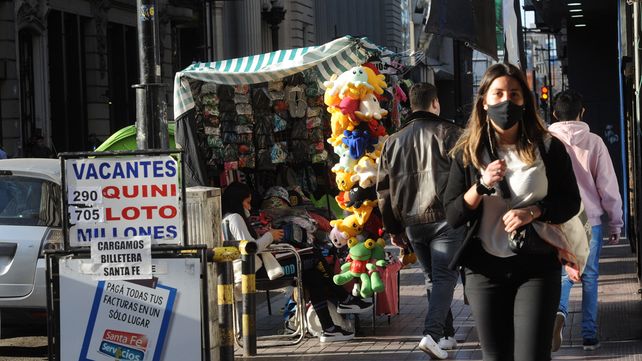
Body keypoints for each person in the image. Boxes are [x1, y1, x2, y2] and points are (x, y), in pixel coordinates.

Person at [443, 63, 581, 361]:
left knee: (531, 355)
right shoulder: (467, 152)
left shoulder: (547, 147)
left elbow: (571, 202)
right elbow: (453, 215)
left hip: (536, 265)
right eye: (499, 94)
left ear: (525, 101)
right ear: (484, 101)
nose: (506, 102)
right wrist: (480, 185)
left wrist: (534, 211)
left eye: (515, 94)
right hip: (484, 270)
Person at [376, 82, 463, 359]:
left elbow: (384, 190)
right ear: (435, 103)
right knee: (445, 277)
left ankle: (446, 335)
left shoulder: (392, 141)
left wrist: (393, 228)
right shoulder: (451, 133)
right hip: (445, 217)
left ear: (410, 105)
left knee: (432, 277)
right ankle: (433, 334)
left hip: (412, 222)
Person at [222, 182, 358, 342]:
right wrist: (270, 236)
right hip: (257, 273)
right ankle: (343, 300)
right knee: (313, 258)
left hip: (257, 270)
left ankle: (329, 327)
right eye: (247, 202)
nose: (250, 207)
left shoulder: (230, 218)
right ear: (237, 201)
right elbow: (251, 247)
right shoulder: (235, 218)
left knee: (312, 273)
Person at [549, 89, 623, 352]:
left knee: (562, 277)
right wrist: (615, 222)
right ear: (582, 113)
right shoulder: (595, 142)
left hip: (556, 220)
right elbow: (608, 186)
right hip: (590, 220)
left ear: (555, 114)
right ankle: (589, 336)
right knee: (590, 278)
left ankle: (559, 313)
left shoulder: (546, 141)